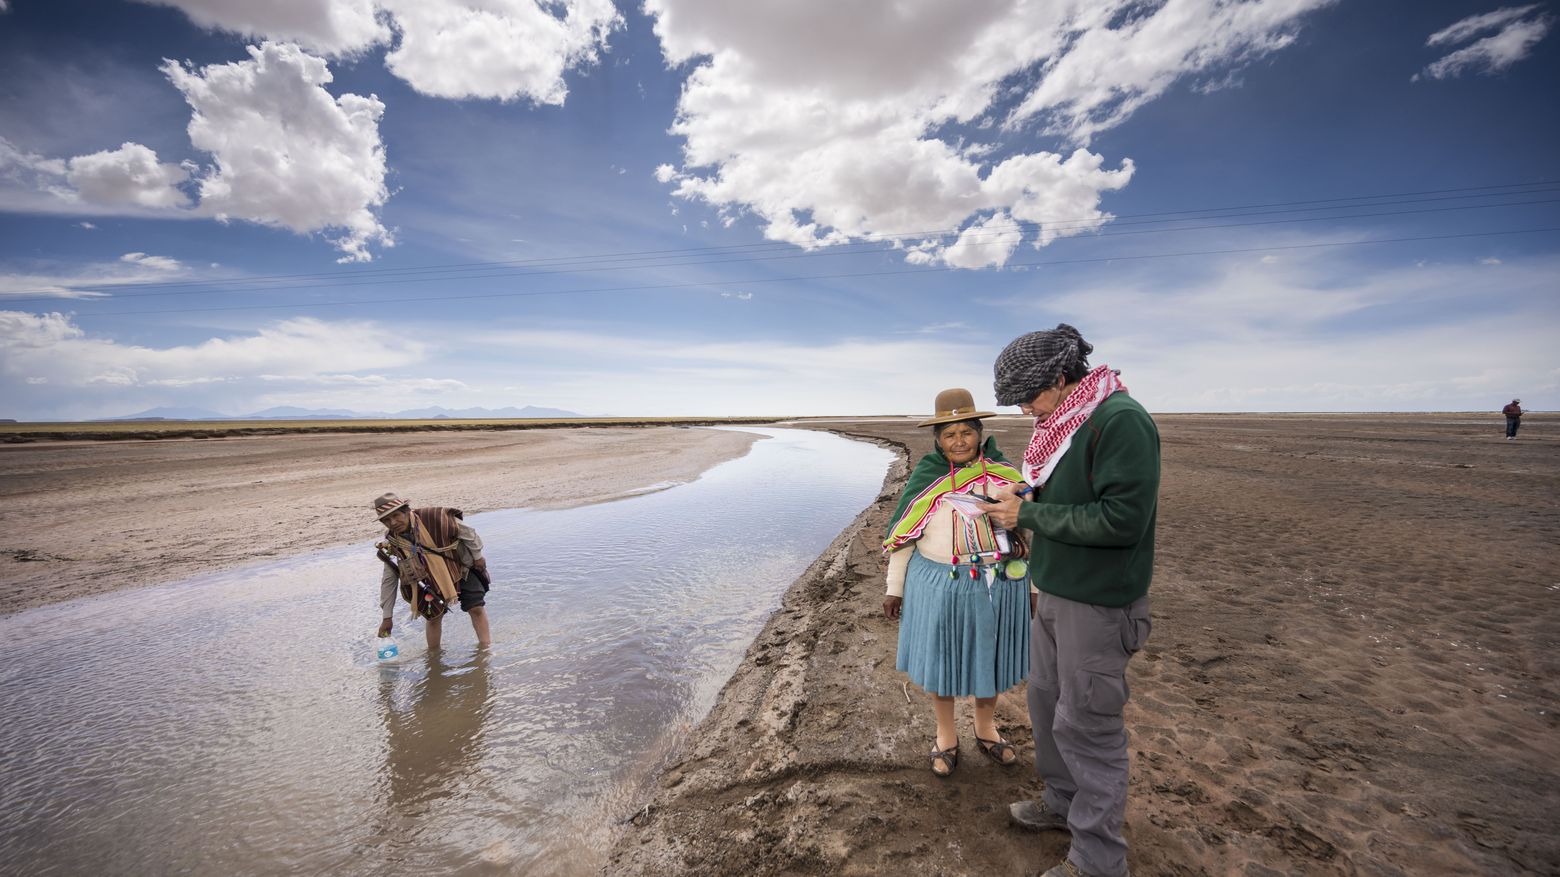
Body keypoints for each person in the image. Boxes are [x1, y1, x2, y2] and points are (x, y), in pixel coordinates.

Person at [986, 325, 1159, 877]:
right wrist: (1026, 493)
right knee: (1045, 706)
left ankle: (1098, 861)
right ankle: (1062, 803)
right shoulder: (1064, 421)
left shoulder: (1119, 420)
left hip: (1101, 607)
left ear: (1061, 379)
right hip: (1055, 595)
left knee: (1089, 725)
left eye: (1027, 397)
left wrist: (1027, 515)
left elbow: (1121, 520)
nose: (1021, 411)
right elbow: (1067, 490)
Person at [883, 388, 1036, 777]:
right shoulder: (926, 480)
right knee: (944, 659)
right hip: (939, 582)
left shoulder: (1006, 477)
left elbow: (1029, 533)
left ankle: (985, 729)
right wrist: (893, 588)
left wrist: (1033, 589)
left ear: (979, 434)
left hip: (1000, 581)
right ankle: (945, 736)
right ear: (937, 440)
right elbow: (904, 536)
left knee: (992, 657)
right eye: (949, 434)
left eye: (966, 432)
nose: (958, 441)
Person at [372, 492, 492, 649]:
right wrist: (387, 617)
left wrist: (477, 557)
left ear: (407, 511)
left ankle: (486, 649)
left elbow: (469, 534)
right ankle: (434, 655)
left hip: (460, 568)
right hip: (428, 579)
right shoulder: (392, 542)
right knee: (433, 618)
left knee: (476, 607)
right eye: (386, 520)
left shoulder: (435, 517)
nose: (393, 522)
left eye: (396, 515)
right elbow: (389, 579)